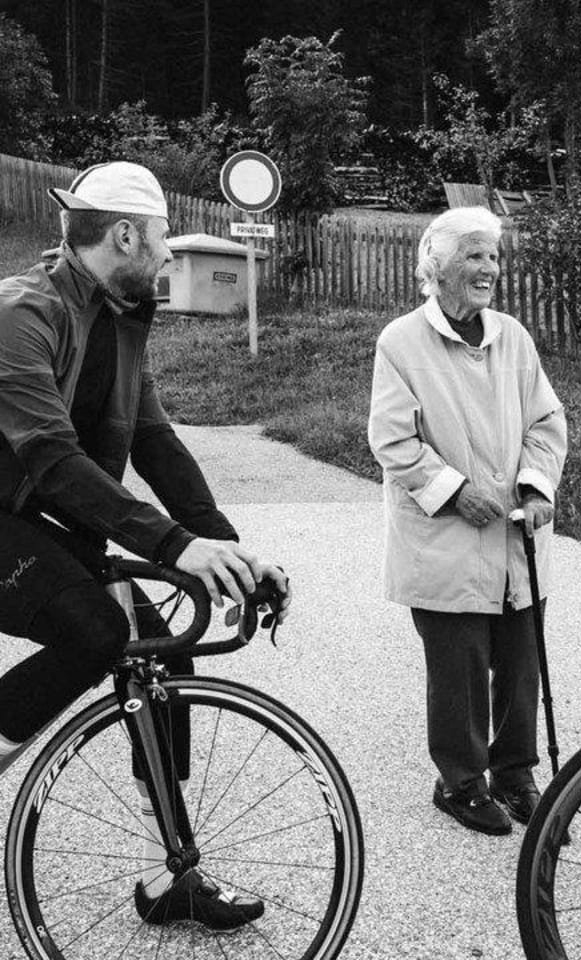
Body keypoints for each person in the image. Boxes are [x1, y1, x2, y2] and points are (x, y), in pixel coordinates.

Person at [0, 161, 292, 929]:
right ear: (126, 234)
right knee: (95, 630)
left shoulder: (123, 320)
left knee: (161, 653)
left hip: (46, 519)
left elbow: (158, 446)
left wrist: (228, 550)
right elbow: (54, 459)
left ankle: (175, 876)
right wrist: (172, 547)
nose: (168, 258)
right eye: (162, 240)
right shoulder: (21, 313)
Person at [367, 206, 567, 835]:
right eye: (475, 256)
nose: (489, 269)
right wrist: (454, 492)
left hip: (514, 531)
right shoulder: (401, 341)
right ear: (437, 266)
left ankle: (516, 774)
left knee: (520, 659)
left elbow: (546, 422)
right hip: (444, 534)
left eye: (493, 257)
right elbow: (393, 440)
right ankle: (459, 781)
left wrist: (536, 488)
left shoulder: (513, 336)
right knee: (457, 663)